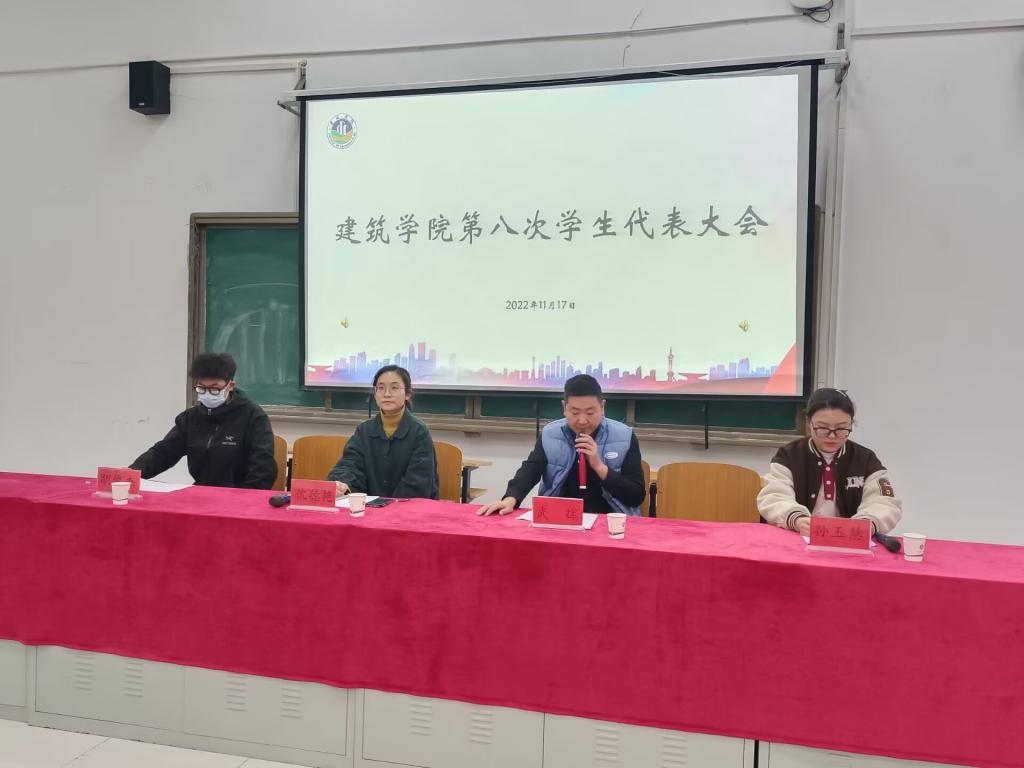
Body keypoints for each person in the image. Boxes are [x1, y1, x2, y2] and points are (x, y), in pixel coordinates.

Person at [478, 374, 645, 516]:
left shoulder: (624, 436)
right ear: (564, 407)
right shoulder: (551, 434)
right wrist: (511, 498)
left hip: (609, 519)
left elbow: (636, 496)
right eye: (575, 412)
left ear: (602, 407)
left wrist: (599, 467)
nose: (582, 420)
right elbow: (531, 469)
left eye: (590, 412)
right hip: (559, 517)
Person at [758, 387, 902, 535]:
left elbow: (885, 502)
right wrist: (797, 519)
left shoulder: (865, 459)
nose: (832, 436)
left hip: (850, 540)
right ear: (809, 423)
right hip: (799, 536)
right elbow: (774, 496)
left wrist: (866, 523)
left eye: (841, 428)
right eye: (822, 428)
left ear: (851, 424)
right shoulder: (789, 455)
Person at [130, 352, 277, 489]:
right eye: (202, 388)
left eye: (214, 389)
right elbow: (163, 452)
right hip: (201, 493)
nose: (207, 394)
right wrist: (132, 473)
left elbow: (263, 469)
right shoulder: (189, 418)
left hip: (238, 495)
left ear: (230, 386)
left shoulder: (254, 417)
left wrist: (241, 499)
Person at [328, 365, 439, 499]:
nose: (387, 394)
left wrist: (388, 505)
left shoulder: (419, 432)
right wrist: (343, 483)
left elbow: (418, 482)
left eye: (394, 388)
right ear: (375, 393)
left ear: (408, 394)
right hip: (369, 508)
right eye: (380, 388)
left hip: (408, 508)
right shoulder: (364, 430)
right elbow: (350, 464)